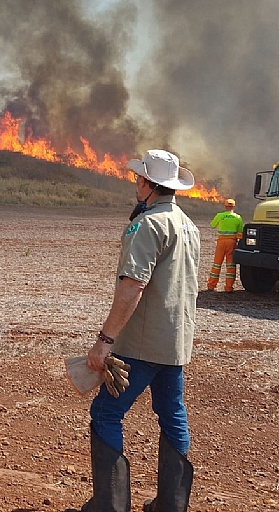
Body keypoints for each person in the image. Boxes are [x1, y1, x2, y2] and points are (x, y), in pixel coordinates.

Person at [74, 149, 200, 512]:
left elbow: (132, 286)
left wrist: (104, 342)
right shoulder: (188, 226)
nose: (135, 184)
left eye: (138, 179)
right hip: (175, 342)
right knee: (172, 412)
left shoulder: (147, 225)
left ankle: (109, 505)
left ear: (148, 184)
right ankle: (171, 505)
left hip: (141, 343)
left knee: (107, 413)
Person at [207, 198, 243, 292]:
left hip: (221, 242)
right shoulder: (238, 217)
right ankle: (228, 287)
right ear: (234, 207)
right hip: (232, 242)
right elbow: (240, 233)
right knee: (231, 265)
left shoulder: (220, 215)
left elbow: (212, 225)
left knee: (217, 264)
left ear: (225, 206)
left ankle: (211, 285)